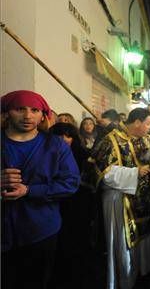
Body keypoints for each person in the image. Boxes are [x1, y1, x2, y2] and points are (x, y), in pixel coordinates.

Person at [1, 90, 80, 289]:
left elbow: (70, 182)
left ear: (43, 115)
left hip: (40, 230)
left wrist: (29, 190)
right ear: (7, 112)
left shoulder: (55, 146)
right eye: (20, 109)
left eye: (34, 110)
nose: (28, 116)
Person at [91, 108, 150, 289]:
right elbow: (103, 174)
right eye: (148, 124)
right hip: (120, 200)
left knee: (144, 239)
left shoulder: (146, 139)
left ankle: (143, 271)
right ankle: (125, 280)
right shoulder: (111, 140)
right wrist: (135, 173)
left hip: (143, 200)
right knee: (124, 242)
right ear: (137, 122)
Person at [49, 122, 93, 289]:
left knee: (76, 242)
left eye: (68, 136)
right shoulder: (45, 155)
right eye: (60, 135)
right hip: (55, 204)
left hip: (78, 205)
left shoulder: (82, 154)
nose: (64, 139)